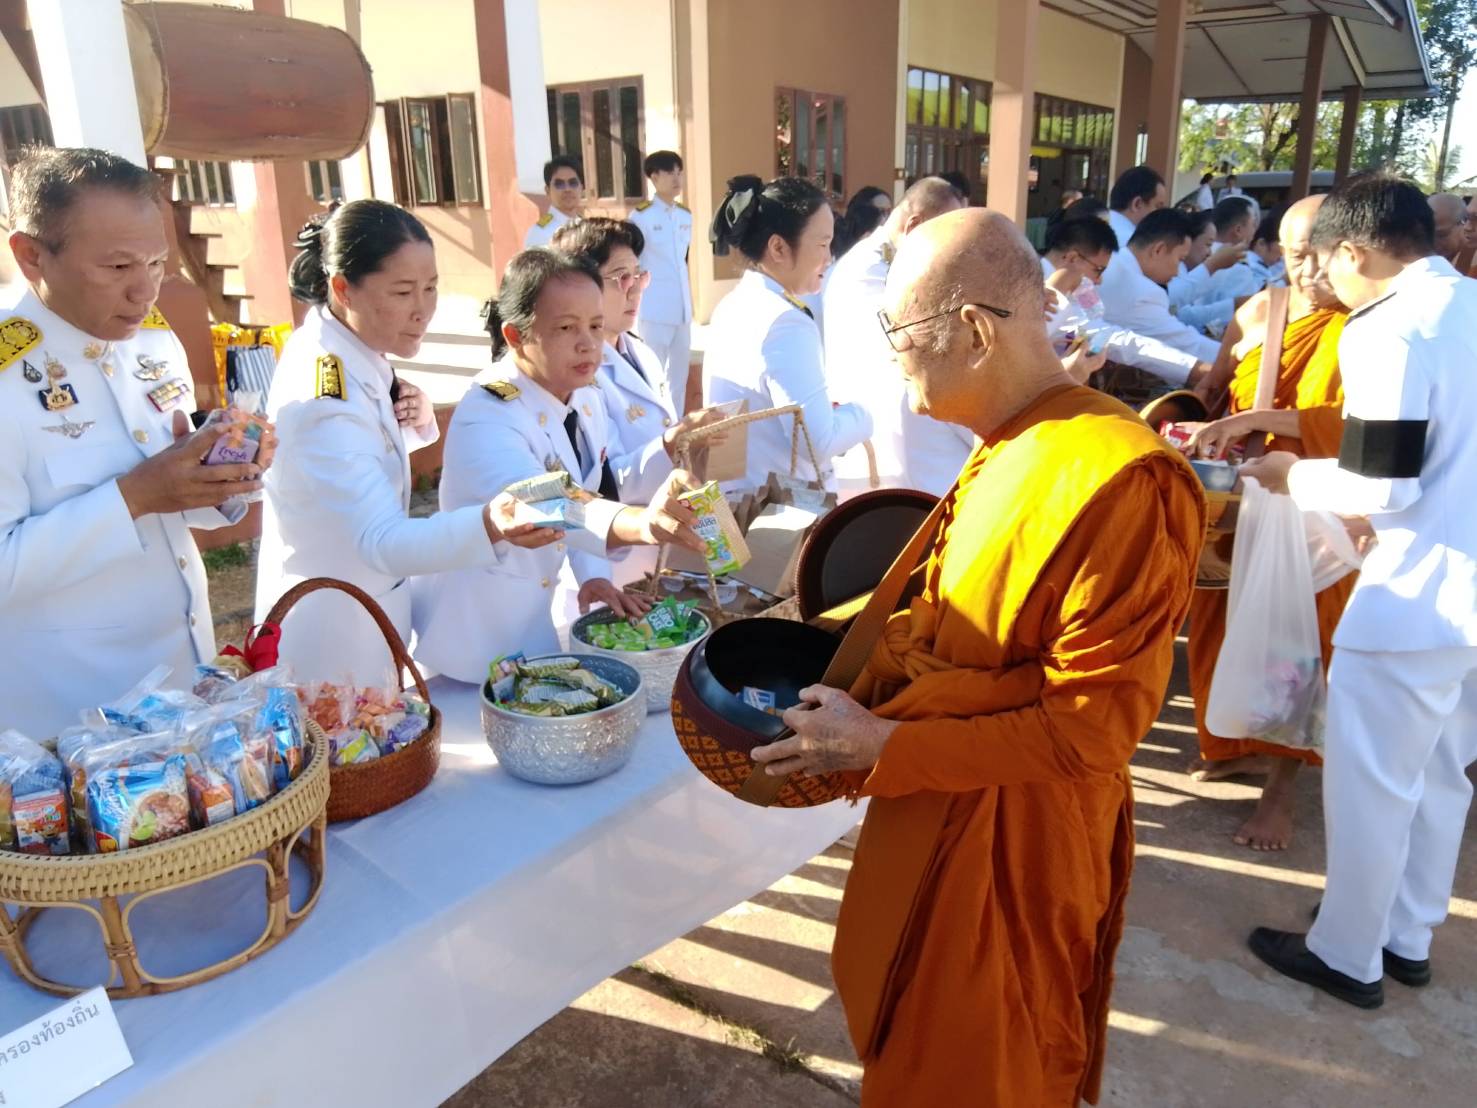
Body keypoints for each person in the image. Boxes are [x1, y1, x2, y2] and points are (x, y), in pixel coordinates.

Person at [750, 207, 1204, 1104]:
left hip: (1015, 842)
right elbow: (954, 623)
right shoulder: (1011, 444)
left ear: (970, 330)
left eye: (900, 334)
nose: (893, 357)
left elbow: (1091, 731)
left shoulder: (1120, 480)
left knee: (983, 1066)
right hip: (935, 799)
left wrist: (886, 745)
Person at [1242, 174, 1477, 1009]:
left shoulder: (1387, 326)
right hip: (1466, 599)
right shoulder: (1468, 305)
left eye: (1321, 261)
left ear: (1352, 251)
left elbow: (1382, 483)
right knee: (1441, 773)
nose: (1320, 278)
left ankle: (1347, 953)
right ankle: (1404, 935)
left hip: (1418, 594)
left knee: (1372, 782)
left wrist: (1291, 472)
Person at [0, 147, 267, 739]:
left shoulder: (152, 344)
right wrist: (135, 496)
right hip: (70, 719)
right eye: (118, 267)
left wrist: (222, 473)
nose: (145, 291)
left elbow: (175, 505)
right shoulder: (6, 376)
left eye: (156, 262)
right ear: (31, 255)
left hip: (182, 685)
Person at [256, 201, 551, 686]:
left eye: (431, 287)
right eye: (402, 291)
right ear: (343, 289)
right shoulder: (327, 397)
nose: (423, 309)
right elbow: (379, 539)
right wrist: (491, 523)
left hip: (364, 619)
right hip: (335, 645)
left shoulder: (350, 350)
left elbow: (359, 456)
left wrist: (412, 418)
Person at [413, 249, 703, 683]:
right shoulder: (488, 412)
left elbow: (587, 486)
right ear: (515, 336)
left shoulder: (583, 393)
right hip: (473, 635)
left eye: (595, 325)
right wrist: (643, 524)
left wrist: (594, 576)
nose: (588, 343)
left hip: (533, 625)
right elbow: (549, 501)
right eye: (566, 328)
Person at [1176, 195, 1352, 851]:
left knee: (1301, 645)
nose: (1310, 270)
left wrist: (1259, 420)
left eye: (1322, 255)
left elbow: (1359, 427)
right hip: (1241, 496)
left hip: (1317, 505)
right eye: (1297, 254)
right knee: (1219, 624)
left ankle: (1280, 792)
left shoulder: (1366, 329)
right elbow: (1213, 392)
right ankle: (1234, 744)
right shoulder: (1256, 310)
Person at [703, 175, 871, 491]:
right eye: (822, 244)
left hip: (742, 498)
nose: (829, 257)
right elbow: (817, 442)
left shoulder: (733, 305)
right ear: (778, 247)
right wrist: (863, 415)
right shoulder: (785, 322)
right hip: (781, 510)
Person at [821, 177, 965, 495]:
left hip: (902, 419)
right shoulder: (866, 269)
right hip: (881, 421)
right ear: (914, 225)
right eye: (945, 235)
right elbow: (907, 338)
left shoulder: (892, 259)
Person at [1041, 217, 1207, 385]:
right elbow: (1116, 340)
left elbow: (1102, 332)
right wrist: (1195, 370)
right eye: (1098, 270)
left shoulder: (1066, 290)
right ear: (1072, 259)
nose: (1099, 281)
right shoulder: (1045, 292)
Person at [1099, 208, 1223, 368]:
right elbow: (1186, 345)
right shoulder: (1142, 291)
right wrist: (1240, 355)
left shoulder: (1112, 260)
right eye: (1180, 259)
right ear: (1158, 250)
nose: (1177, 272)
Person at [629, 150, 695, 414]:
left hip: (682, 311)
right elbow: (633, 261)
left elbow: (682, 261)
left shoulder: (685, 215)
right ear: (654, 177)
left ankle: (678, 426)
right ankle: (655, 426)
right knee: (653, 374)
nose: (677, 178)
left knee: (678, 378)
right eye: (669, 173)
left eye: (679, 172)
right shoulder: (641, 217)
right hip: (655, 308)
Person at [524, 157, 585, 248]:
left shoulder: (586, 226)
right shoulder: (539, 233)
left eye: (573, 183)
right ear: (547, 190)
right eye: (559, 184)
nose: (567, 189)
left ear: (582, 188)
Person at [832, 186, 893, 259]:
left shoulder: (889, 245)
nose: (886, 218)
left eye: (889, 212)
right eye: (881, 212)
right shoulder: (837, 243)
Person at [1428, 192, 1469, 263]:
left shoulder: (1472, 261)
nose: (1433, 243)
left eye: (1441, 235)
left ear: (1464, 224)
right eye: (1427, 236)